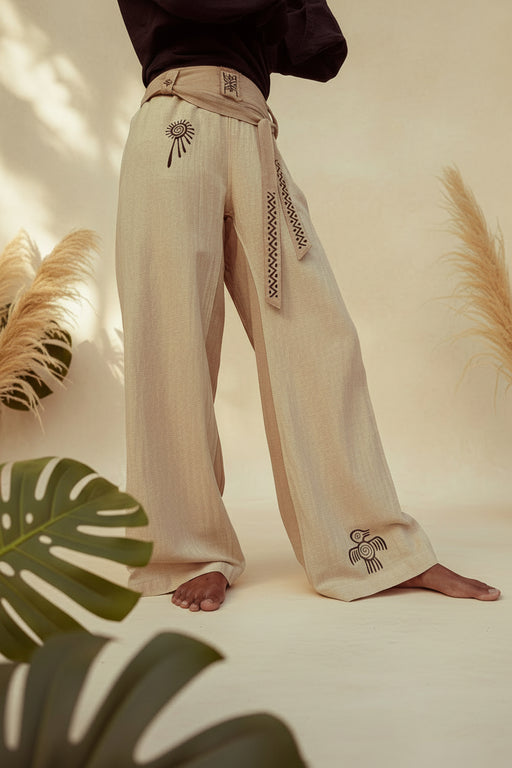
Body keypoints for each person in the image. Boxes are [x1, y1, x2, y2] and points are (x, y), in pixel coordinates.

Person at [115, 0, 500, 611]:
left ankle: (372, 547)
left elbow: (319, 49)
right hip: (174, 125)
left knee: (321, 339)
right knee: (170, 346)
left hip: (255, 132)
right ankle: (190, 551)